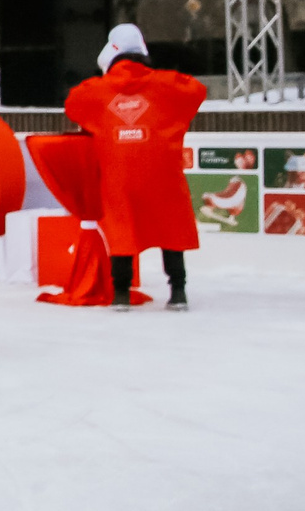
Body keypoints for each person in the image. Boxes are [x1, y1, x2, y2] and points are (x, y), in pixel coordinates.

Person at [62, 23, 207, 311]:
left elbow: (72, 103)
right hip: (163, 174)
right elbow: (197, 91)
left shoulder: (97, 90)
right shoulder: (168, 84)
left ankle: (121, 294)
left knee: (122, 228)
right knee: (171, 227)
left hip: (120, 174)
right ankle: (178, 291)